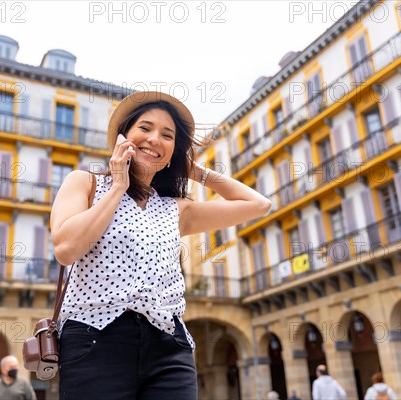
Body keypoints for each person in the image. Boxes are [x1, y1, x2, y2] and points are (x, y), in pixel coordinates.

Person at [51, 91, 271, 400]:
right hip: (95, 338)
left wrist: (193, 170)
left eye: (167, 136)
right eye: (145, 128)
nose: (155, 138)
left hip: (168, 344)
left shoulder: (176, 209)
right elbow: (66, 248)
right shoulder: (85, 183)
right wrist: (118, 186)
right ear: (123, 137)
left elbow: (259, 204)